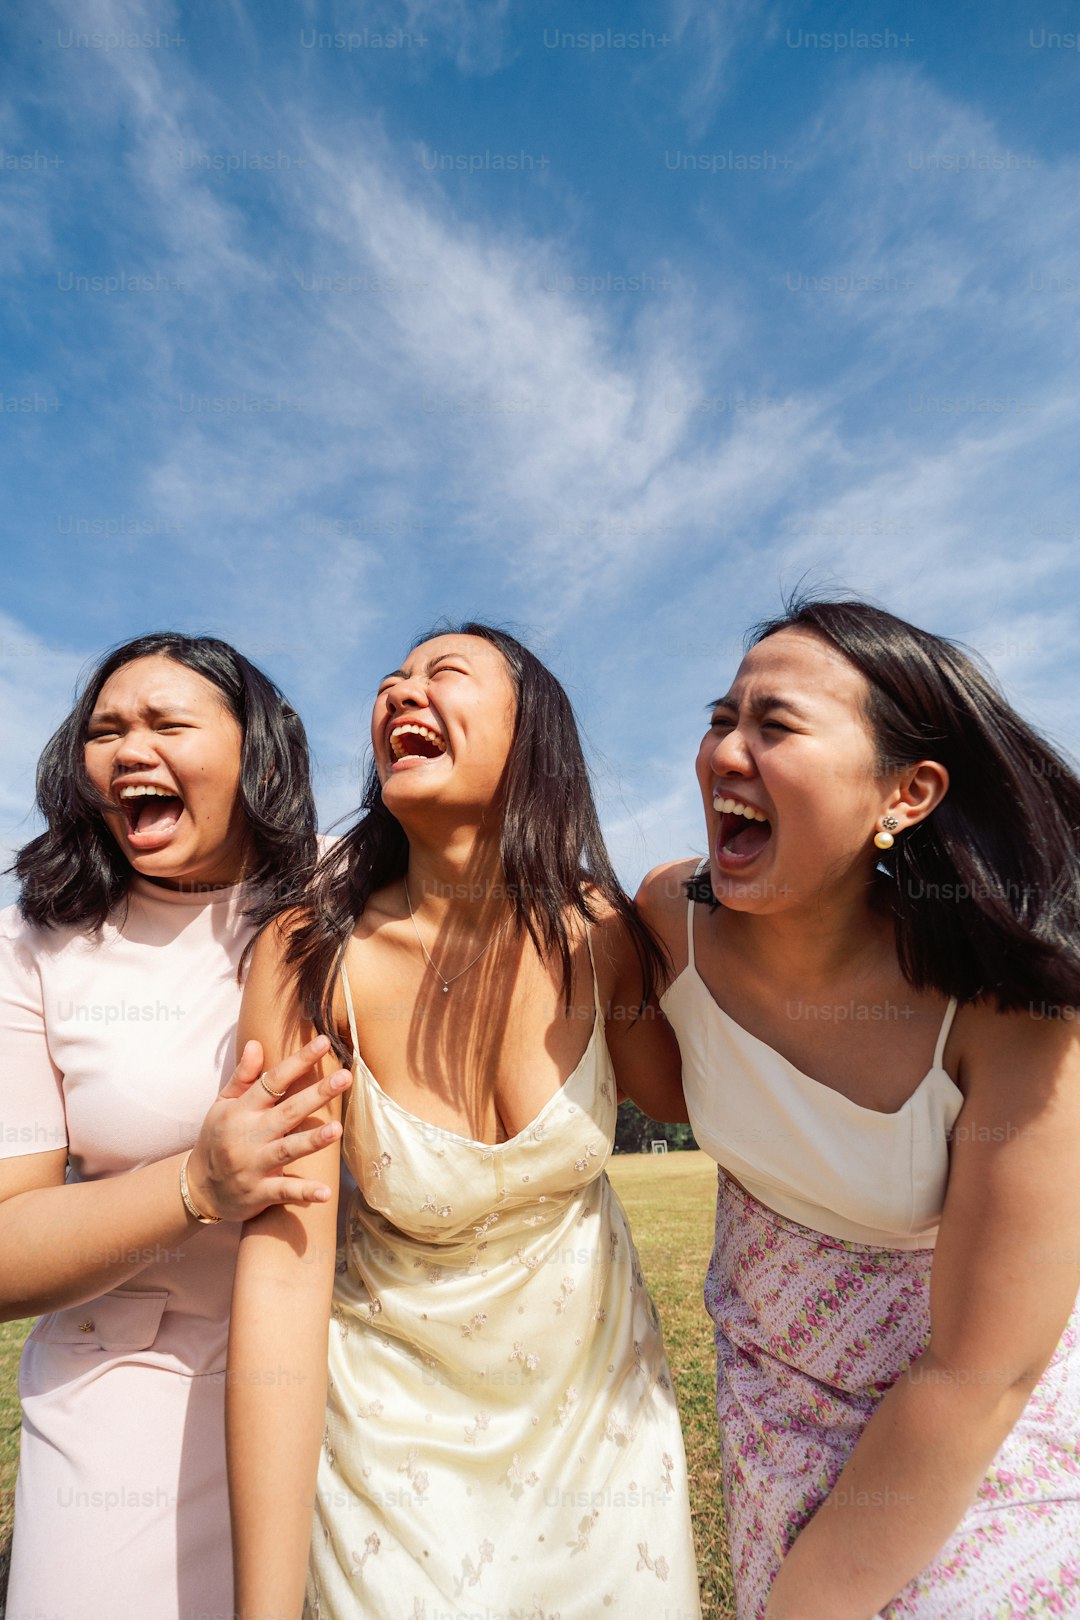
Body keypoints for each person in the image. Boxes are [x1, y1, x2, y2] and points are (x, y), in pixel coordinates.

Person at [228, 623, 702, 1620]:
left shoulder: (603, 935)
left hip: (602, 1439)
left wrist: (698, 903)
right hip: (389, 1447)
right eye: (393, 682)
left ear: (535, 740)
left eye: (445, 675)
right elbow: (281, 1269)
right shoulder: (310, 952)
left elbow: (707, 1104)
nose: (401, 693)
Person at [637, 596, 1080, 1620]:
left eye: (775, 725)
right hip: (772, 1409)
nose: (724, 755)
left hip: (971, 1432)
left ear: (907, 792)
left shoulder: (1013, 1010)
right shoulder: (669, 919)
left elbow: (981, 1374)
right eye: (720, 718)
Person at [0, 633, 352, 1620]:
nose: (126, 749)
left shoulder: (345, 888)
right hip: (124, 1376)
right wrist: (198, 1186)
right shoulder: (34, 944)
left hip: (354, 1371)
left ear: (258, 754)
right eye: (103, 731)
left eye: (166, 723)